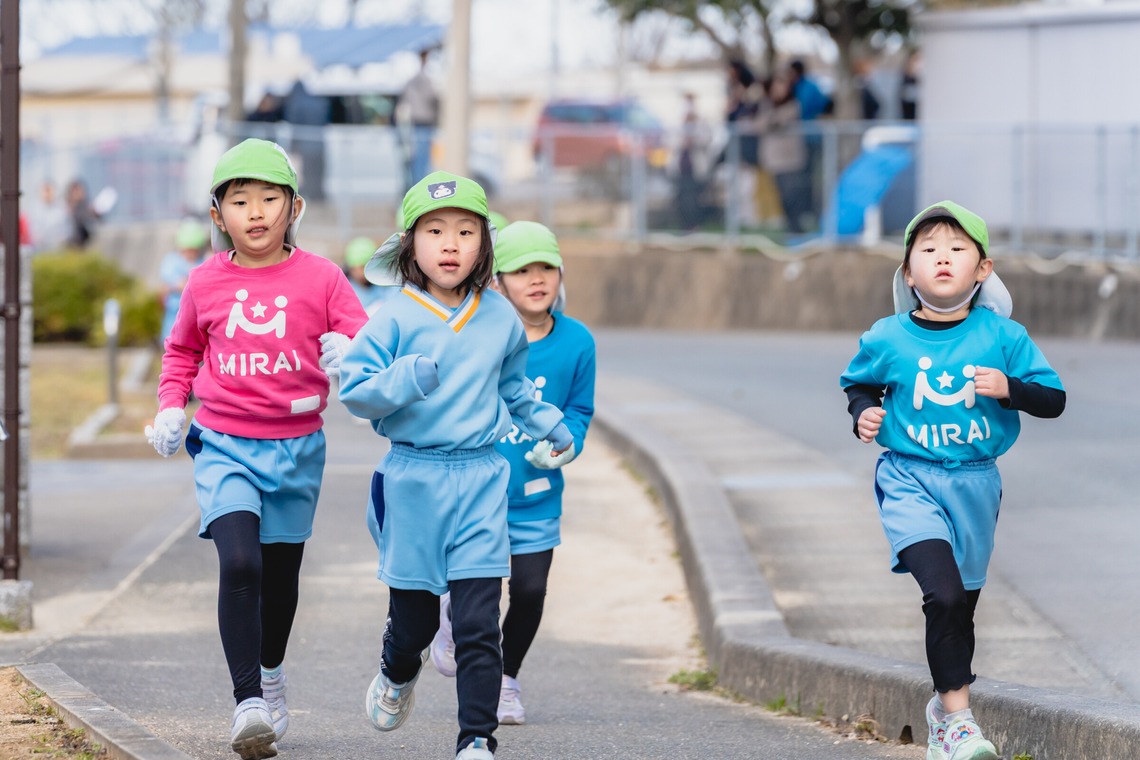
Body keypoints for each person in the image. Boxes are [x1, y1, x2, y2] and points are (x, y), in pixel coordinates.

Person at [335, 171, 574, 760]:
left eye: (466, 232)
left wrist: (551, 423)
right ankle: (397, 669)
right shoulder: (394, 316)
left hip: (481, 477)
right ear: (411, 244)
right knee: (415, 623)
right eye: (435, 231)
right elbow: (356, 393)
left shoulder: (498, 317)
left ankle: (476, 740)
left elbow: (515, 388)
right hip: (413, 478)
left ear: (483, 246)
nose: (450, 244)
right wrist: (404, 379)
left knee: (476, 622)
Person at [144, 138, 369, 760]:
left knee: (281, 577)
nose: (256, 211)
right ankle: (247, 702)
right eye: (239, 201)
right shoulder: (204, 281)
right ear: (219, 216)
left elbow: (367, 335)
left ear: (293, 206)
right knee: (239, 563)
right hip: (224, 443)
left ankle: (271, 671)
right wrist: (171, 405)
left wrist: (354, 354)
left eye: (269, 198)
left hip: (297, 447)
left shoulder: (321, 277)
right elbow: (183, 351)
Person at [839, 201, 1065, 760]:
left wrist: (1010, 387)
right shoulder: (887, 336)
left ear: (982, 270)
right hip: (909, 478)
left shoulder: (1003, 336)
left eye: (958, 250)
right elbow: (859, 385)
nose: (943, 259)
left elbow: (1054, 400)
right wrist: (863, 412)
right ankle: (960, 725)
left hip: (975, 484)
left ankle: (942, 707)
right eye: (929, 250)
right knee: (939, 593)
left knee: (960, 606)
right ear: (908, 271)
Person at [428, 220, 595, 726]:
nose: (536, 279)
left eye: (546, 267)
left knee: (528, 591)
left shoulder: (578, 342)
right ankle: (451, 620)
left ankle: (506, 678)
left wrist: (568, 447)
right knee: (474, 589)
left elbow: (580, 412)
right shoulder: (479, 331)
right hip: (478, 489)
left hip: (538, 494)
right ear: (498, 279)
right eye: (522, 270)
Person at [755, 74, 810, 234]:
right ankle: (790, 228)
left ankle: (796, 228)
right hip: (774, 159)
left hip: (791, 159)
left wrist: (772, 120)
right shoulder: (766, 105)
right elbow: (761, 124)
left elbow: (779, 121)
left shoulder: (793, 105)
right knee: (781, 195)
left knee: (793, 194)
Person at [158, 219, 209, 343]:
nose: (190, 253)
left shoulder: (202, 263)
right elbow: (164, 290)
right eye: (187, 250)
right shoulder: (171, 262)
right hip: (173, 319)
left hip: (196, 322)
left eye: (194, 250)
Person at [397, 49, 440, 191]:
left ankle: (418, 190)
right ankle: (420, 191)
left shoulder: (414, 80)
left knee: (418, 164)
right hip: (420, 125)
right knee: (419, 166)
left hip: (417, 125)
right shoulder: (422, 79)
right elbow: (432, 98)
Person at [343, 236, 384, 316]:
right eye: (361, 267)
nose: (361, 272)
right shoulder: (344, 290)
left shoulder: (385, 287)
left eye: (364, 267)